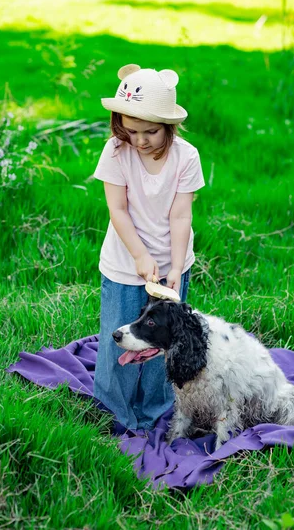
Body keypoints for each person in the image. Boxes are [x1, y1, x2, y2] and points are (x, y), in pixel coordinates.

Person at [93, 63, 205, 431]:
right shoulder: (115, 152)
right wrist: (140, 256)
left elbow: (180, 217)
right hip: (125, 265)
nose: (140, 140)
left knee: (162, 342)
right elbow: (118, 209)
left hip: (172, 263)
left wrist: (175, 268)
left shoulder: (186, 157)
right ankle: (115, 413)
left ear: (169, 126)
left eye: (151, 132)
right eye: (131, 129)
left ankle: (157, 410)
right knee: (119, 339)